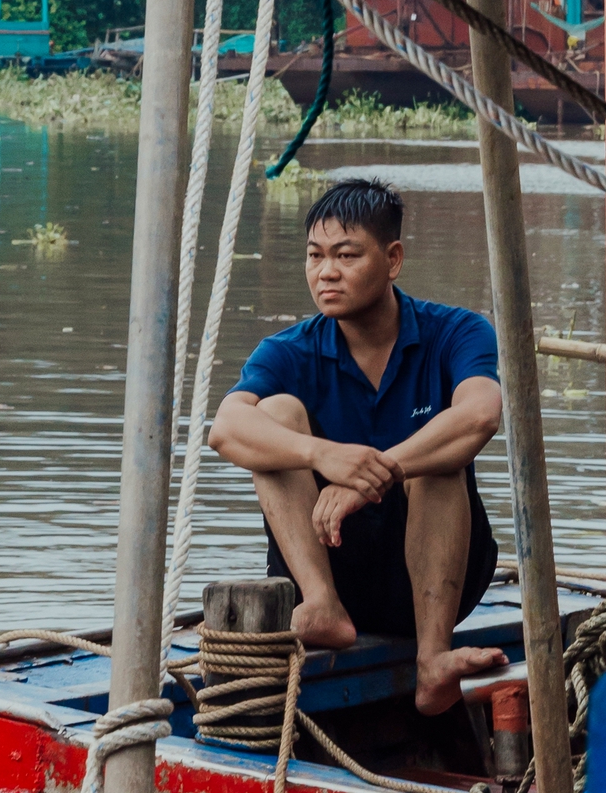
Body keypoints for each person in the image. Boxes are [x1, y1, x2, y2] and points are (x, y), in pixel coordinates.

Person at [209, 177, 510, 716]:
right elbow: (226, 429)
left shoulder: (456, 331)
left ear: (392, 259)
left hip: (433, 585)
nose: (326, 272)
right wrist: (322, 455)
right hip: (327, 570)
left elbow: (481, 414)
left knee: (440, 457)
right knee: (274, 417)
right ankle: (323, 605)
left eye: (347, 255)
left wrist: (381, 472)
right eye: (315, 256)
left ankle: (433, 659)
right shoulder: (289, 351)